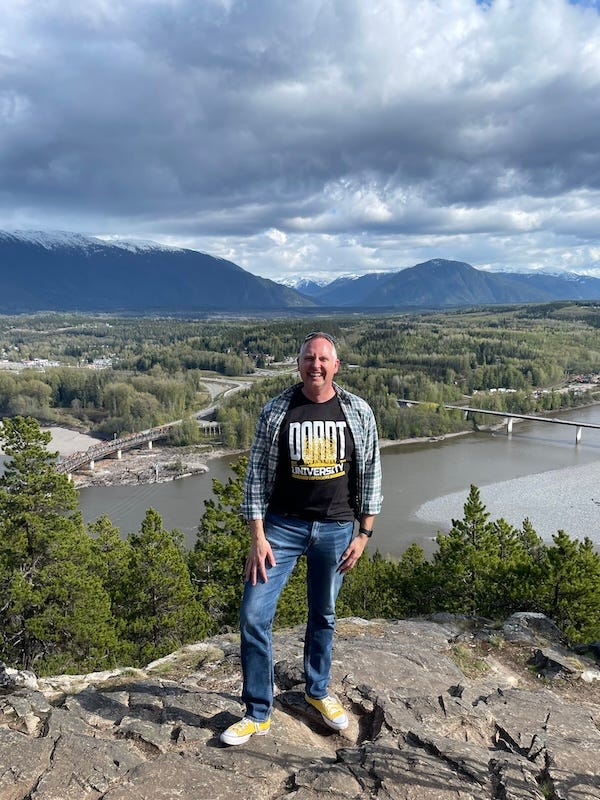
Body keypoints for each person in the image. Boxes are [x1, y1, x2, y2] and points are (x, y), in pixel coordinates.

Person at [220, 331, 382, 746]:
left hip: (337, 528)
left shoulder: (358, 412)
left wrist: (363, 534)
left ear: (336, 366)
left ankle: (317, 690)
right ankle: (258, 712)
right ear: (299, 364)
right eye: (309, 358)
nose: (316, 365)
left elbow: (372, 476)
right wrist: (257, 536)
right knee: (254, 615)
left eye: (324, 359)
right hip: (281, 528)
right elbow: (256, 476)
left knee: (323, 614)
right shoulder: (277, 410)